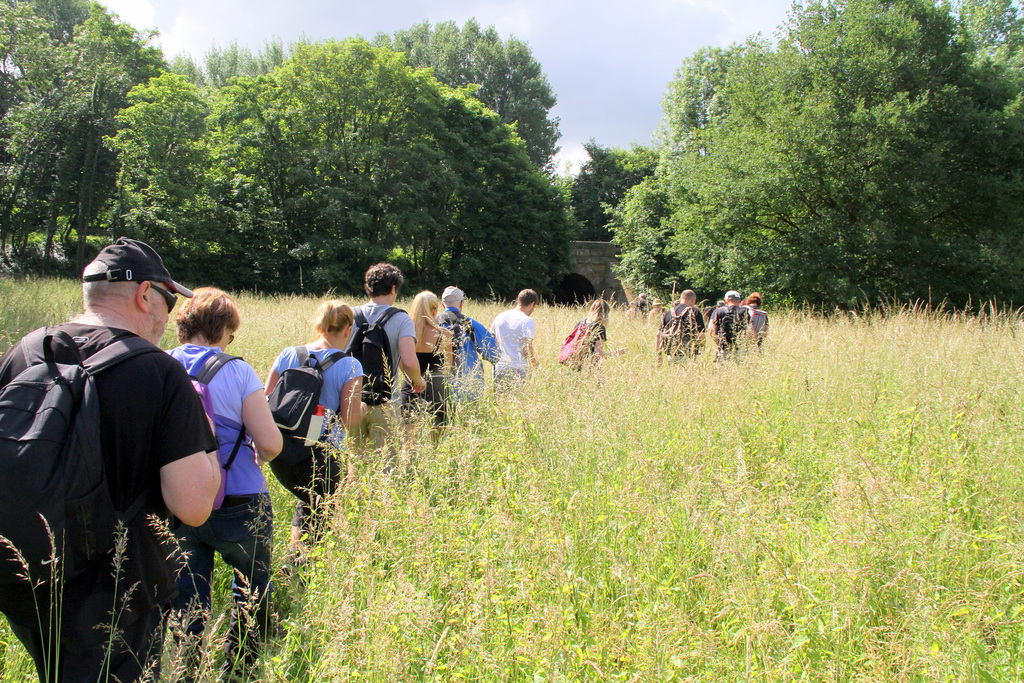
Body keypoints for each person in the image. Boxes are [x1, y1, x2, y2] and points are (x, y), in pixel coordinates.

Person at [0, 237, 220, 683]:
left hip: (27, 579)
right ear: (144, 295)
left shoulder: (24, 352)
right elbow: (194, 506)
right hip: (117, 595)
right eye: (166, 298)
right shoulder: (160, 371)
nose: (169, 314)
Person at [167, 288, 282, 681]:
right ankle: (241, 666)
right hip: (239, 497)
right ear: (224, 330)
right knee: (252, 584)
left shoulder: (160, 365)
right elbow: (269, 443)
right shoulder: (236, 370)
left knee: (187, 593)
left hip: (176, 499)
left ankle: (187, 670)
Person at [266, 300, 365, 560]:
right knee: (320, 512)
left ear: (320, 325)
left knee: (308, 504)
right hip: (322, 453)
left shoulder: (288, 354)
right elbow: (351, 419)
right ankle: (301, 571)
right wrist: (363, 407)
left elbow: (266, 400)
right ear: (348, 330)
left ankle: (298, 563)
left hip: (282, 451)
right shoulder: (351, 366)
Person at [343, 263, 425, 467]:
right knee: (386, 465)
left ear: (368, 287)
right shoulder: (401, 318)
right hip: (386, 400)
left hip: (350, 399)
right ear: (394, 288)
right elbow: (408, 361)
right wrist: (418, 380)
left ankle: (354, 497)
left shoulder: (349, 315)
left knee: (353, 462)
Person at [435, 286, 500, 402]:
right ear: (461, 303)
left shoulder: (432, 323)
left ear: (442, 304)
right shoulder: (470, 323)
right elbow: (495, 354)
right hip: (469, 384)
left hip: (437, 384)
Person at [400, 291, 453, 431]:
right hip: (437, 388)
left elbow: (401, 362)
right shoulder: (444, 334)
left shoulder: (405, 333)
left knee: (409, 440)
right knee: (437, 439)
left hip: (411, 386)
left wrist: (413, 379)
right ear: (435, 311)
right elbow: (448, 366)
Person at [490, 288, 539, 392]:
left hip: (499, 367)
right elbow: (526, 347)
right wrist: (534, 363)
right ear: (532, 304)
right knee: (517, 402)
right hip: (518, 368)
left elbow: (491, 340)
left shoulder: (500, 316)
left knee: (500, 402)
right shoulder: (527, 320)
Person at [563, 299, 626, 371]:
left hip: (576, 364)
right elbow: (599, 354)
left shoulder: (581, 323)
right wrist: (617, 353)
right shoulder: (598, 327)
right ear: (605, 313)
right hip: (590, 367)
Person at [657, 289, 707, 363]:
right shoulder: (694, 311)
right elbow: (701, 335)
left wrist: (659, 355)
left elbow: (658, 334)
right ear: (693, 300)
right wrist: (702, 347)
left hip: (671, 353)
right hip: (688, 354)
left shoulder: (669, 312)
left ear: (681, 299)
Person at [708, 290, 753, 361]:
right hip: (740, 349)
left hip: (723, 349)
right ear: (739, 301)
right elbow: (751, 331)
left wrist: (720, 343)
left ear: (725, 301)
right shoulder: (744, 312)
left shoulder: (718, 311)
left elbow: (711, 330)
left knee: (722, 370)